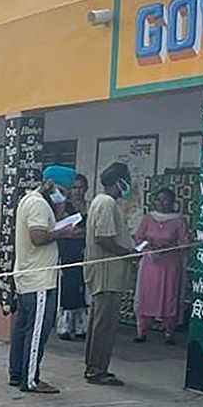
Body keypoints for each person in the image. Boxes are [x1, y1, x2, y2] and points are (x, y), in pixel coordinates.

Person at [8, 166, 79, 394]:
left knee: (22, 328)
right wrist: (63, 233)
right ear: (50, 184)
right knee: (37, 330)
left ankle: (16, 373)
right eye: (62, 190)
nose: (64, 195)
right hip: (39, 278)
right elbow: (38, 237)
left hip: (28, 275)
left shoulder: (32, 200)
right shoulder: (38, 204)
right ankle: (30, 380)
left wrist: (58, 215)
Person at [82, 162, 135, 386]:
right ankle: (96, 370)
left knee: (100, 323)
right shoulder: (106, 203)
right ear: (119, 182)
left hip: (108, 273)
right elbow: (103, 238)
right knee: (104, 325)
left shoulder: (102, 202)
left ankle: (96, 366)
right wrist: (128, 252)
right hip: (106, 273)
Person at [133, 188, 189, 345]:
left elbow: (185, 243)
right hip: (149, 264)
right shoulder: (148, 218)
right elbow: (138, 239)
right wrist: (148, 248)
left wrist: (169, 247)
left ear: (173, 202)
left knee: (169, 296)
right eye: (158, 199)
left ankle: (169, 332)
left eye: (165, 200)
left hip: (170, 264)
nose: (161, 203)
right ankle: (141, 331)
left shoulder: (179, 220)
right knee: (146, 295)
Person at [56, 174, 91, 341]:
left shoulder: (89, 207)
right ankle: (64, 325)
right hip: (68, 251)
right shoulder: (65, 206)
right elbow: (63, 229)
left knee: (83, 288)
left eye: (80, 187)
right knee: (69, 286)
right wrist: (77, 233)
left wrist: (80, 234)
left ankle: (81, 326)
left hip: (85, 252)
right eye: (74, 187)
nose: (77, 191)